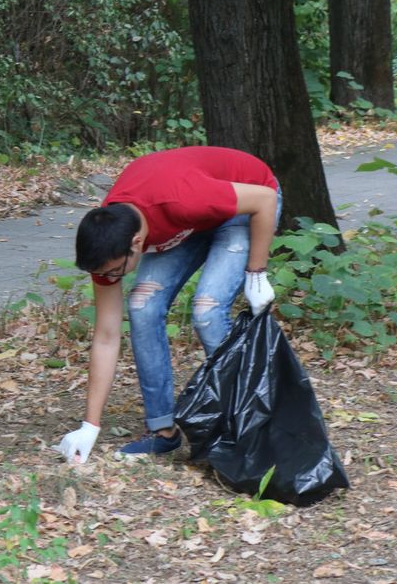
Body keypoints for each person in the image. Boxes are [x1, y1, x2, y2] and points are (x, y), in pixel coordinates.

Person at [56, 146, 280, 464]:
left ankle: (248, 423)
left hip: (247, 204)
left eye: (115, 271)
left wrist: (256, 274)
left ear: (137, 243)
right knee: (142, 305)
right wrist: (89, 426)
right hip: (191, 221)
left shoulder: (181, 198)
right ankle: (163, 432)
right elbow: (106, 336)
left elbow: (265, 199)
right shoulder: (107, 243)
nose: (109, 278)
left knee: (207, 309)